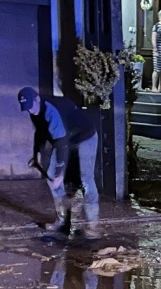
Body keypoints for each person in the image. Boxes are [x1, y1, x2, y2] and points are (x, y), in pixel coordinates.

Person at [18, 86, 102, 235]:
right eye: (27, 108)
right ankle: (61, 220)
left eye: (31, 106)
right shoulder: (34, 111)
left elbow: (61, 145)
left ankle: (92, 225)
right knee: (51, 178)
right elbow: (40, 132)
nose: (31, 111)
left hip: (85, 135)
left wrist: (60, 174)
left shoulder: (51, 110)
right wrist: (36, 154)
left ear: (37, 99)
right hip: (67, 137)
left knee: (86, 179)